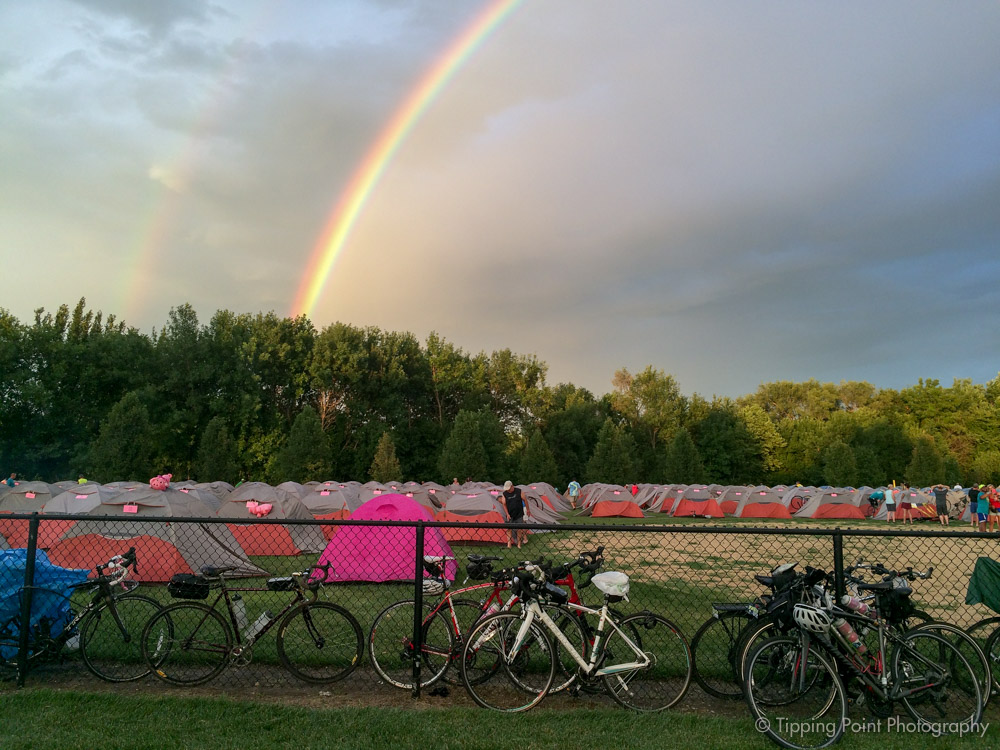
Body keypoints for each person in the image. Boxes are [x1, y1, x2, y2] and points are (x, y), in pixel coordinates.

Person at [502, 480, 531, 549]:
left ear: (512, 486)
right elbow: (504, 504)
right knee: (509, 529)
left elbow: (525, 500)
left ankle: (519, 544)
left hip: (519, 513)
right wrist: (507, 514)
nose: (508, 490)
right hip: (510, 514)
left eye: (509, 489)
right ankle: (509, 544)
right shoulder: (504, 494)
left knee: (519, 529)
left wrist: (528, 510)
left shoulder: (519, 491)